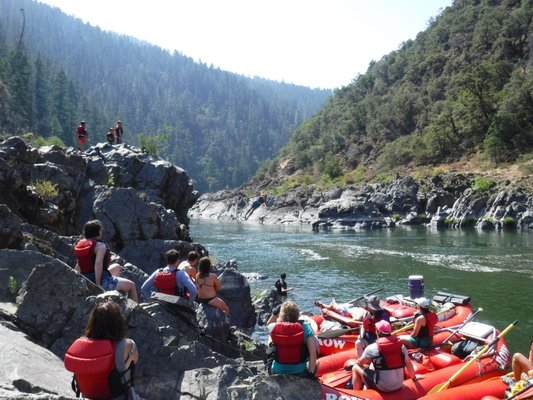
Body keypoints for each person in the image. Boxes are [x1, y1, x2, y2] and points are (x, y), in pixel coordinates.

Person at [64, 300, 142, 400]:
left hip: (87, 397)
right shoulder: (126, 345)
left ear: (92, 322)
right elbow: (135, 360)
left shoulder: (79, 344)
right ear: (118, 322)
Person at [74, 220, 139, 302]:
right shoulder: (100, 245)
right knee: (132, 286)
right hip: (101, 280)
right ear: (97, 231)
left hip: (86, 277)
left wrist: (75, 277)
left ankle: (114, 294)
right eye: (101, 230)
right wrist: (97, 284)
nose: (101, 232)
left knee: (117, 267)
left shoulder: (82, 244)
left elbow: (79, 264)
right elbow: (98, 263)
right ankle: (134, 310)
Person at [350, 320, 423, 392]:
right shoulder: (401, 346)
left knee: (355, 367)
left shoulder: (372, 347)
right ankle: (367, 386)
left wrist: (355, 362)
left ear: (377, 332)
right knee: (373, 364)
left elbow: (360, 363)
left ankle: (356, 394)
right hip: (400, 384)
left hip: (384, 387)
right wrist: (414, 377)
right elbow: (408, 363)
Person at [268, 300, 318, 377]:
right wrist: (310, 375)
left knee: (270, 336)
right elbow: (313, 353)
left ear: (281, 314)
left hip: (276, 371)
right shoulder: (305, 327)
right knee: (317, 362)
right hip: (300, 371)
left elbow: (268, 325)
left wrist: (274, 314)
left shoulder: (274, 327)